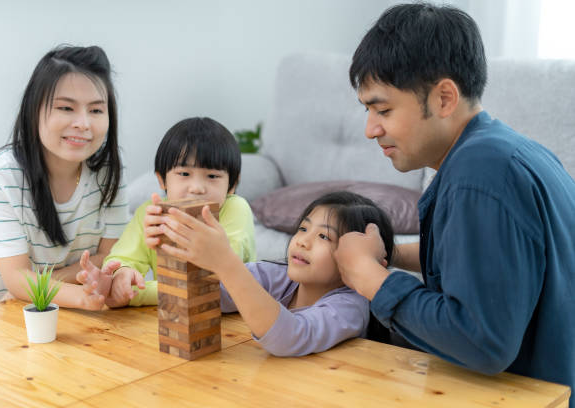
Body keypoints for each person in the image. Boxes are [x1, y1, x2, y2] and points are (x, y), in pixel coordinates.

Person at [336, 2, 575, 399]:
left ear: (444, 98)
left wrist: (372, 279)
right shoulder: (511, 152)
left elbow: (482, 341)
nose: (370, 129)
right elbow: (485, 264)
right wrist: (389, 254)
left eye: (383, 109)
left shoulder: (479, 176)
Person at [0, 45, 128, 310]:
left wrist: (52, 282)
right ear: (34, 110)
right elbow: (16, 279)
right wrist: (81, 296)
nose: (83, 123)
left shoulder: (108, 173)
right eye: (66, 108)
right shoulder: (0, 175)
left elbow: (111, 256)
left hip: (66, 317)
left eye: (96, 110)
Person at [159, 191, 392, 356]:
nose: (303, 241)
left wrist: (226, 263)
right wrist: (171, 237)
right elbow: (211, 296)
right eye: (303, 228)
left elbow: (290, 336)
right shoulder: (278, 275)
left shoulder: (351, 307)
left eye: (324, 237)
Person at [80, 117, 256, 307]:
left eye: (212, 176)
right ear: (162, 180)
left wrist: (138, 294)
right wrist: (121, 276)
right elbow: (123, 257)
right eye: (184, 174)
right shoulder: (151, 213)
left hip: (233, 319)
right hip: (169, 319)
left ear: (232, 184)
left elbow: (211, 282)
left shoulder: (236, 209)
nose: (197, 188)